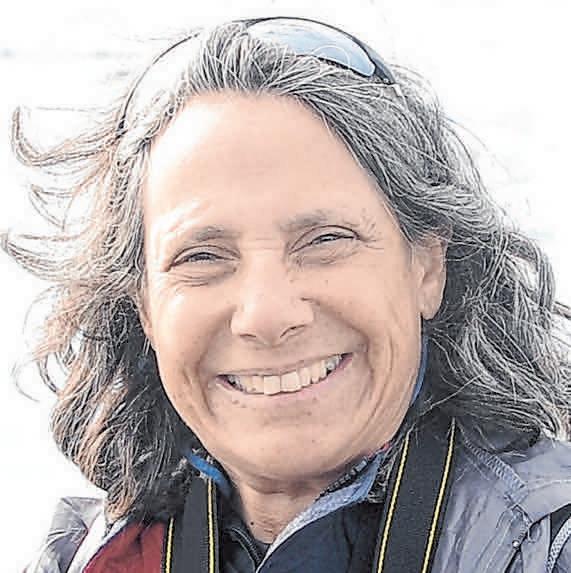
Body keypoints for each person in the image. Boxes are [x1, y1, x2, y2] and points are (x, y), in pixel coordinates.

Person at [5, 16, 571, 573]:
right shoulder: (86, 559)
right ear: (143, 308)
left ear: (427, 266)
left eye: (325, 240)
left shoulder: (549, 547)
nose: (266, 315)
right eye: (202, 257)